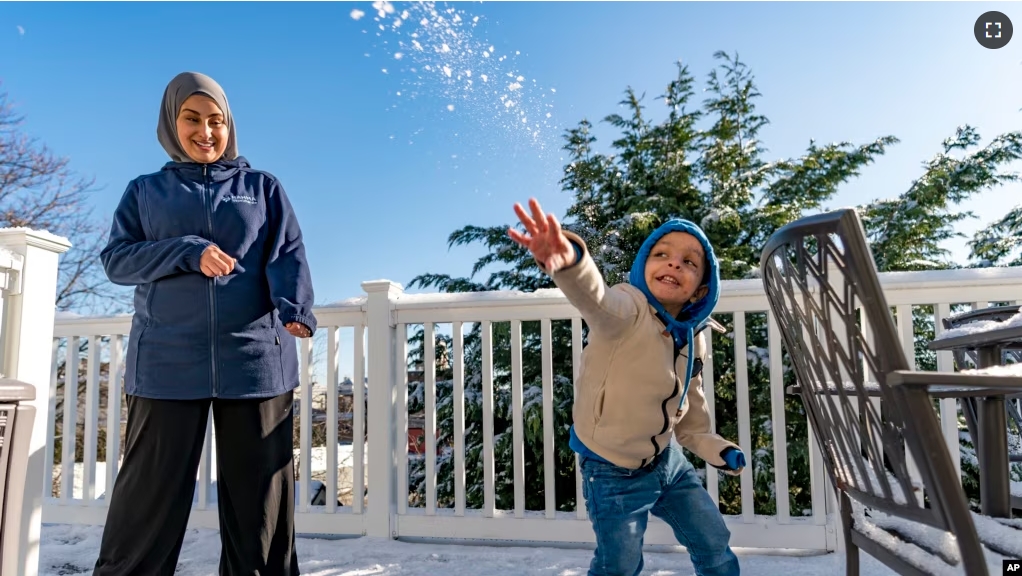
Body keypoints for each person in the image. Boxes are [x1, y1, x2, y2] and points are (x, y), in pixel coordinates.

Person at [94, 71, 315, 576]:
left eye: (216, 120)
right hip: (166, 366)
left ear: (229, 125)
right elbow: (117, 261)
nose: (206, 132)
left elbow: (288, 255)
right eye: (192, 119)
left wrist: (295, 310)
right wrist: (187, 251)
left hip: (255, 362)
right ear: (172, 124)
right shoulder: (146, 192)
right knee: (144, 510)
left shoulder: (261, 188)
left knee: (261, 517)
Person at [508, 198, 745, 576]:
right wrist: (569, 261)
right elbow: (593, 296)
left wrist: (717, 449)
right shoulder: (625, 310)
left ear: (700, 290)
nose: (673, 263)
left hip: (668, 463)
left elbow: (691, 414)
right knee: (618, 564)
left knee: (714, 541)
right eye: (662, 254)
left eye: (689, 262)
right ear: (642, 266)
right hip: (611, 467)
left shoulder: (692, 338)